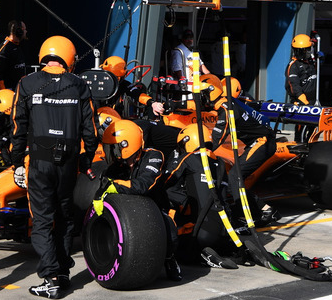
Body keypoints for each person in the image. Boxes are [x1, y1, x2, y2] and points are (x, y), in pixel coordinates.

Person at [11, 35, 98, 299]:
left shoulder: (27, 83)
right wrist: (87, 158)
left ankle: (50, 278)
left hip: (40, 161)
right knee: (64, 217)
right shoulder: (79, 84)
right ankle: (62, 273)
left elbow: (18, 125)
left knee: (41, 220)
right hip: (68, 162)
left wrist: (16, 162)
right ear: (69, 58)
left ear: (42, 56)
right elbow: (90, 130)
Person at [97, 119, 181, 280]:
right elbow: (105, 186)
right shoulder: (115, 167)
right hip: (128, 212)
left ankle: (170, 258)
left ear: (125, 146)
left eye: (113, 148)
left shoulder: (154, 156)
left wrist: (116, 186)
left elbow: (144, 185)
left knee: (170, 234)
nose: (110, 153)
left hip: (156, 206)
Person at [164, 124, 239, 269]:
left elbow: (166, 181)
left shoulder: (189, 158)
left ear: (188, 140)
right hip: (225, 231)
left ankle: (197, 252)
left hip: (201, 232)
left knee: (166, 197)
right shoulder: (221, 163)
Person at [202, 74, 277, 189]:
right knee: (234, 177)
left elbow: (218, 137)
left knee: (235, 175)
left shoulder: (229, 107)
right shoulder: (227, 103)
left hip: (263, 141)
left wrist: (202, 151)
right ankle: (258, 206)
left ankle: (251, 206)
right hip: (253, 140)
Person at [100, 55, 164, 117]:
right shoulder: (94, 84)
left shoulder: (123, 84)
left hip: (114, 118)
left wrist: (152, 103)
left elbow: (137, 94)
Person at [0, 19, 28, 91]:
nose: (26, 32)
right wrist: (5, 92)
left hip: (17, 91)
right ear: (19, 31)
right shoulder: (5, 48)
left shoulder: (17, 46)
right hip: (8, 94)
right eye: (24, 29)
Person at [285, 34, 317, 106]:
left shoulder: (310, 62)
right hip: (301, 103)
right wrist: (305, 102)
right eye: (307, 50)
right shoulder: (293, 66)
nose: (309, 52)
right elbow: (294, 86)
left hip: (314, 100)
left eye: (308, 50)